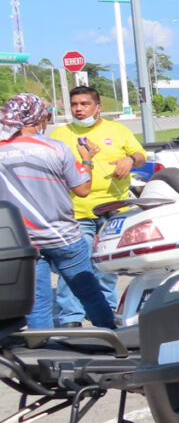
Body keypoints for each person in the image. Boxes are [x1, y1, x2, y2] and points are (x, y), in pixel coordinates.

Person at [0, 93, 114, 329]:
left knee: (37, 302)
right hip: (63, 235)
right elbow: (82, 189)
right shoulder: (55, 148)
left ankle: (42, 345)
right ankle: (110, 333)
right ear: (39, 117)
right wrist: (87, 160)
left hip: (22, 240)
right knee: (88, 291)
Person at [50, 85, 145, 326]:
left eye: (85, 104)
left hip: (113, 211)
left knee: (106, 266)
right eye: (74, 104)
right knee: (73, 266)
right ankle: (71, 317)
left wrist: (130, 160)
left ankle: (105, 311)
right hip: (76, 212)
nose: (79, 109)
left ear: (98, 107)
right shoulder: (60, 134)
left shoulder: (117, 130)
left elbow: (141, 155)